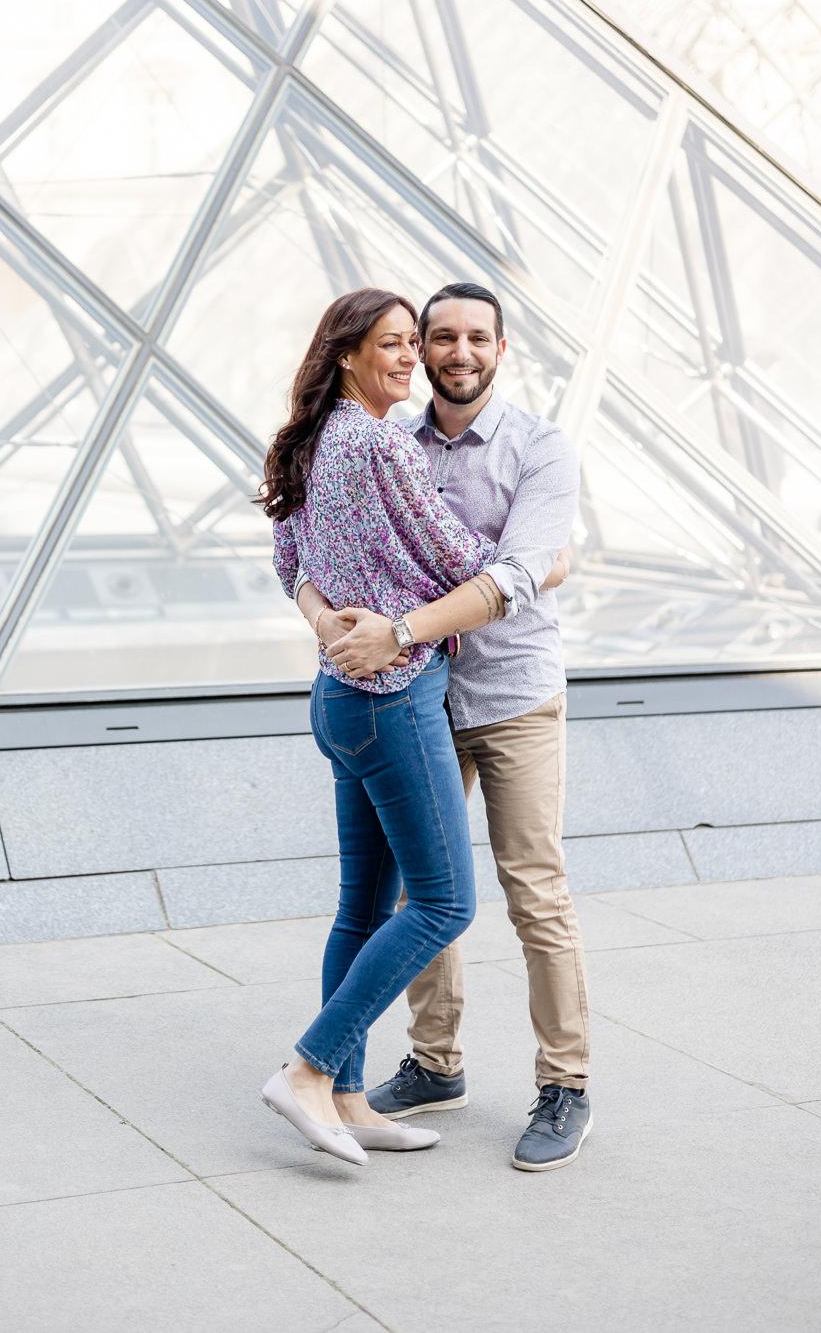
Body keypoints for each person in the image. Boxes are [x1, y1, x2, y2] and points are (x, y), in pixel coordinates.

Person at [295, 282, 591, 1172]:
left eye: (477, 338)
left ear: (503, 350)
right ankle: (433, 1062)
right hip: (414, 697)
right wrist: (326, 616)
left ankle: (565, 1083)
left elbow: (513, 575)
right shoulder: (386, 436)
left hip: (510, 697)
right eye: (439, 338)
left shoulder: (540, 449)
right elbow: (306, 550)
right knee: (418, 895)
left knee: (533, 893)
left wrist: (405, 626)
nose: (457, 352)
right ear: (419, 349)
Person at [258, 286, 522, 1167]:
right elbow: (463, 560)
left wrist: (323, 617)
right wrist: (543, 563)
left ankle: (346, 1099)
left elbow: (288, 562)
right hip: (396, 697)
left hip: (338, 698)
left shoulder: (317, 438)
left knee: (362, 906)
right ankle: (308, 1068)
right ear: (346, 354)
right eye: (393, 345)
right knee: (445, 902)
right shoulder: (377, 443)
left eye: (415, 344)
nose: (411, 358)